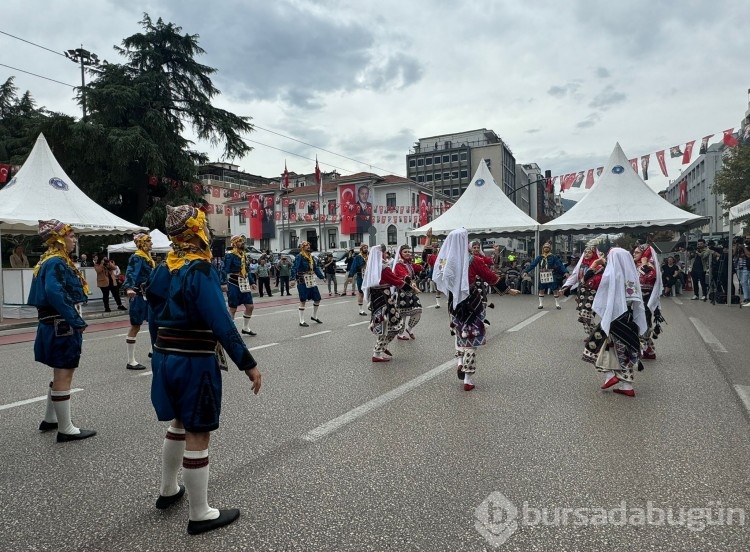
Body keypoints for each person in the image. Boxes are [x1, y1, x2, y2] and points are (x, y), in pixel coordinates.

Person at [146, 205, 261, 535]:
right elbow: (221, 322)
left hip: (166, 355)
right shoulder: (199, 269)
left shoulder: (163, 267)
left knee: (178, 422)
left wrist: (159, 350)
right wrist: (248, 364)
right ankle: (200, 513)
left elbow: (153, 316)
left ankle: (168, 490)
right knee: (198, 431)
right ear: (196, 231)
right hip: (194, 359)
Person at [28, 219, 95, 442]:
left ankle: (51, 419)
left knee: (59, 372)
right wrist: (76, 320)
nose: (74, 239)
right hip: (61, 324)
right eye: (71, 235)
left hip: (53, 323)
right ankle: (66, 429)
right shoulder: (56, 261)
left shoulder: (47, 260)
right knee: (65, 373)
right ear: (59, 238)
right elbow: (55, 293)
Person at [433, 228, 520, 391]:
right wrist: (507, 290)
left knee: (459, 332)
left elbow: (438, 275)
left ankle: (459, 361)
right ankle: (468, 378)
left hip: (454, 302)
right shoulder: (474, 260)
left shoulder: (445, 261)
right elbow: (490, 277)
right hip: (472, 302)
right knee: (472, 339)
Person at [586, 247, 647, 398]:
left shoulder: (610, 274)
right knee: (623, 352)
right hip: (629, 319)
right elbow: (635, 299)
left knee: (594, 346)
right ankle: (627, 386)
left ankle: (609, 376)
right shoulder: (631, 276)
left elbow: (591, 285)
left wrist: (594, 266)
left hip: (614, 318)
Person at [361, 244, 412, 362]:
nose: (386, 254)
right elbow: (396, 280)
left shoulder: (373, 268)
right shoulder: (383, 268)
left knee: (390, 326)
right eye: (384, 253)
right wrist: (411, 290)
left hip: (377, 301)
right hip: (385, 301)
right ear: (381, 254)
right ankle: (377, 353)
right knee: (388, 327)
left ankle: (382, 347)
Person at [123, 232, 155, 370]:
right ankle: (131, 361)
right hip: (138, 295)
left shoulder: (147, 257)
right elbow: (131, 273)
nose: (151, 243)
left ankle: (153, 351)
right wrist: (129, 288)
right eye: (148, 241)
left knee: (156, 322)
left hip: (148, 295)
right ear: (141, 243)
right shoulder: (136, 257)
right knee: (135, 325)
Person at [221, 235, 257, 336]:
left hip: (244, 283)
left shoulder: (244, 255)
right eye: (240, 241)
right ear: (235, 243)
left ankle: (246, 328)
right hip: (233, 283)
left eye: (242, 241)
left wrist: (252, 282)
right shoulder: (230, 255)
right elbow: (224, 270)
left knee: (250, 306)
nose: (242, 243)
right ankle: (231, 331)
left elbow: (247, 270)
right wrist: (223, 283)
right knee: (233, 308)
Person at [633, 244, 663, 360]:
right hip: (636, 300)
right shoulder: (635, 265)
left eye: (637, 252)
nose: (634, 254)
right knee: (637, 325)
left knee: (642, 325)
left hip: (645, 300)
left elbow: (648, 278)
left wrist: (645, 264)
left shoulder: (649, 266)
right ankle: (649, 351)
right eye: (634, 252)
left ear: (644, 254)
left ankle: (641, 350)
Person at [523, 242, 569, 310]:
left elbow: (560, 265)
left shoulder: (553, 257)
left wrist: (565, 272)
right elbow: (533, 264)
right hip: (542, 274)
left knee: (555, 289)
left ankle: (557, 304)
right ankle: (540, 304)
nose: (546, 248)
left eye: (547, 247)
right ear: (543, 248)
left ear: (550, 248)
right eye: (545, 247)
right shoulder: (539, 257)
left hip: (551, 274)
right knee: (541, 289)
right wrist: (526, 271)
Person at [291, 241, 326, 326]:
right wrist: (292, 279)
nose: (308, 247)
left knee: (317, 298)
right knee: (303, 299)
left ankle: (314, 316)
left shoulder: (311, 257)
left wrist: (322, 277)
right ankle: (301, 321)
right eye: (306, 246)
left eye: (309, 245)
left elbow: (316, 268)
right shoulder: (300, 256)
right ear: (303, 247)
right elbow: (294, 268)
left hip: (310, 280)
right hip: (302, 280)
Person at [393, 244, 423, 340]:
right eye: (405, 252)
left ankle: (409, 329)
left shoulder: (409, 263)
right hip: (402, 292)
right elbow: (405, 276)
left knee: (418, 311)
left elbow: (420, 267)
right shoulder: (398, 264)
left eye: (408, 252)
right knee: (403, 314)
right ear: (400, 253)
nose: (407, 253)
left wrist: (427, 264)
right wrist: (414, 286)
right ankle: (400, 334)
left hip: (411, 291)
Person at [348, 244, 370, 315]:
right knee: (361, 292)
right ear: (361, 249)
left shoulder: (369, 256)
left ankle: (371, 305)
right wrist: (350, 276)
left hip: (369, 277)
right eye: (364, 247)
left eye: (366, 247)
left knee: (371, 291)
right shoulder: (358, 257)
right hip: (360, 276)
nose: (366, 249)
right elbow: (353, 267)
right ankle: (361, 310)